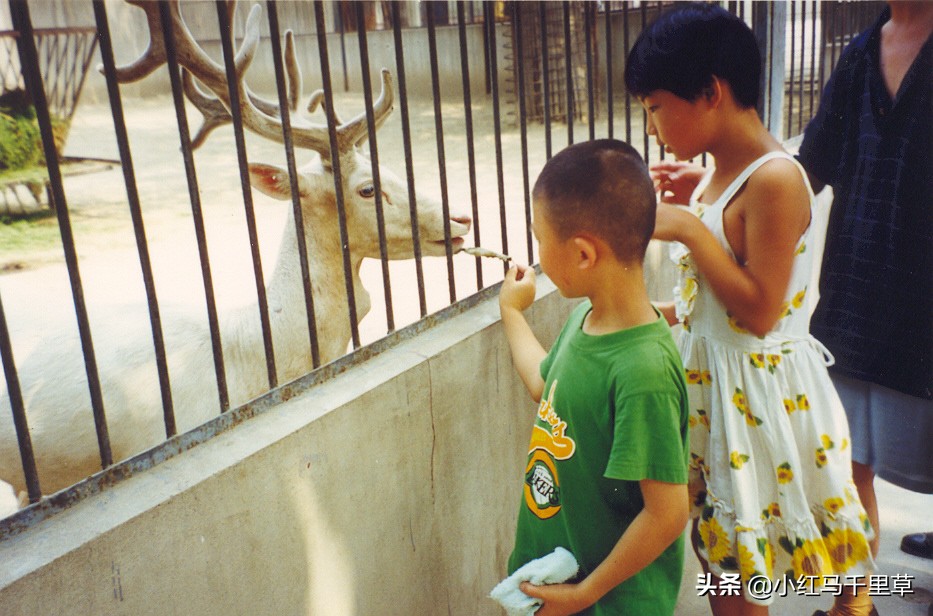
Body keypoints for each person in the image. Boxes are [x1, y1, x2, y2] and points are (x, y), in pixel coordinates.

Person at [625, 4, 876, 615]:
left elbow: (761, 311)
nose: (654, 126)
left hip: (755, 400)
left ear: (710, 92)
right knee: (720, 547)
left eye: (657, 106)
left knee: (739, 556)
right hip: (717, 392)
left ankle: (854, 606)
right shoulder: (721, 175)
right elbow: (714, 292)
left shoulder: (776, 180)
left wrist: (689, 227)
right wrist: (669, 306)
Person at [498, 138, 690, 615]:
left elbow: (667, 514)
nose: (538, 253)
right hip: (559, 583)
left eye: (540, 238)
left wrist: (585, 594)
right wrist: (511, 312)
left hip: (610, 603)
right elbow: (548, 390)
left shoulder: (642, 371)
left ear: (583, 254)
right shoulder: (586, 319)